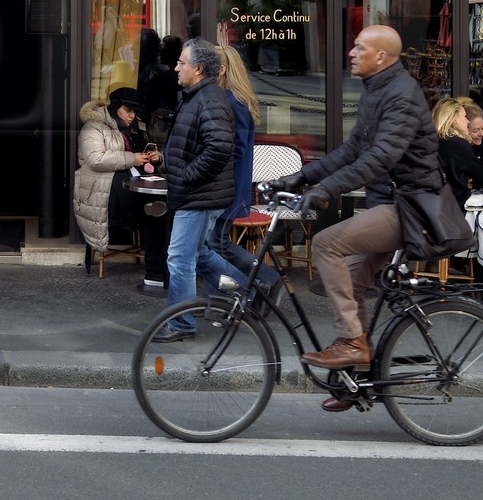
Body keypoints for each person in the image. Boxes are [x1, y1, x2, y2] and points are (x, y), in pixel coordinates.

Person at [292, 25, 441, 395]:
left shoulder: (401, 95)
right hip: (393, 201)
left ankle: (352, 344)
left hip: (411, 204)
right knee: (352, 279)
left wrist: (326, 189)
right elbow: (352, 149)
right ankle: (358, 378)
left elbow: (381, 156)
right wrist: (299, 177)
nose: (351, 53)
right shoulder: (378, 90)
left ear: (382, 57)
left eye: (359, 48)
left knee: (327, 244)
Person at [150, 37, 247, 342]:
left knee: (180, 258)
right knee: (200, 254)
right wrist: (171, 163)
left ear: (199, 68)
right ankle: (247, 291)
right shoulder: (197, 96)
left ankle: (181, 324)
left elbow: (220, 148)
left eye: (181, 62)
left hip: (198, 195)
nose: (175, 67)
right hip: (197, 193)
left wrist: (186, 176)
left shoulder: (208, 99)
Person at [72, 86, 165, 285]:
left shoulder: (138, 126)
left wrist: (156, 158)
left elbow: (147, 155)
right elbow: (95, 159)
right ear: (115, 107)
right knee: (155, 211)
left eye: (134, 111)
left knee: (160, 209)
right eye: (127, 110)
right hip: (104, 190)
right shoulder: (94, 126)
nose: (131, 116)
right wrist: (132, 158)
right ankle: (156, 270)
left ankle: (157, 271)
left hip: (137, 184)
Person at [215, 46, 279, 290]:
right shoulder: (234, 99)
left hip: (229, 186)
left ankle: (264, 280)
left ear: (222, 70)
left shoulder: (234, 102)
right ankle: (226, 293)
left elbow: (237, 149)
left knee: (217, 243)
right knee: (216, 243)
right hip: (231, 185)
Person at [433, 96, 483, 205]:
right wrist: (466, 183)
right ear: (454, 118)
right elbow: (482, 179)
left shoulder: (432, 141)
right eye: (464, 116)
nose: (468, 121)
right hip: (457, 206)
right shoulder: (458, 144)